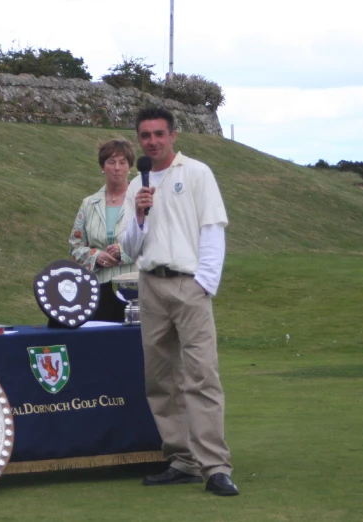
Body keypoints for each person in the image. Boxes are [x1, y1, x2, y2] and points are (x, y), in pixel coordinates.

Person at [118, 107, 238, 496]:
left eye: (159, 134)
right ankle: (182, 459)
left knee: (202, 375)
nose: (152, 141)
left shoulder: (197, 173)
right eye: (145, 136)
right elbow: (130, 247)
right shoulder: (138, 185)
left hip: (190, 285)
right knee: (161, 379)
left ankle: (215, 466)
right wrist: (139, 217)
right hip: (150, 284)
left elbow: (212, 230)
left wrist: (204, 282)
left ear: (173, 136)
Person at [67, 138, 137, 323]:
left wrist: (124, 252)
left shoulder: (142, 200)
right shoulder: (89, 204)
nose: (117, 167)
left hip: (137, 290)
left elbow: (156, 243)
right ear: (102, 167)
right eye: (111, 162)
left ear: (129, 166)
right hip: (98, 291)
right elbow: (75, 246)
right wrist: (95, 256)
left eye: (122, 162)